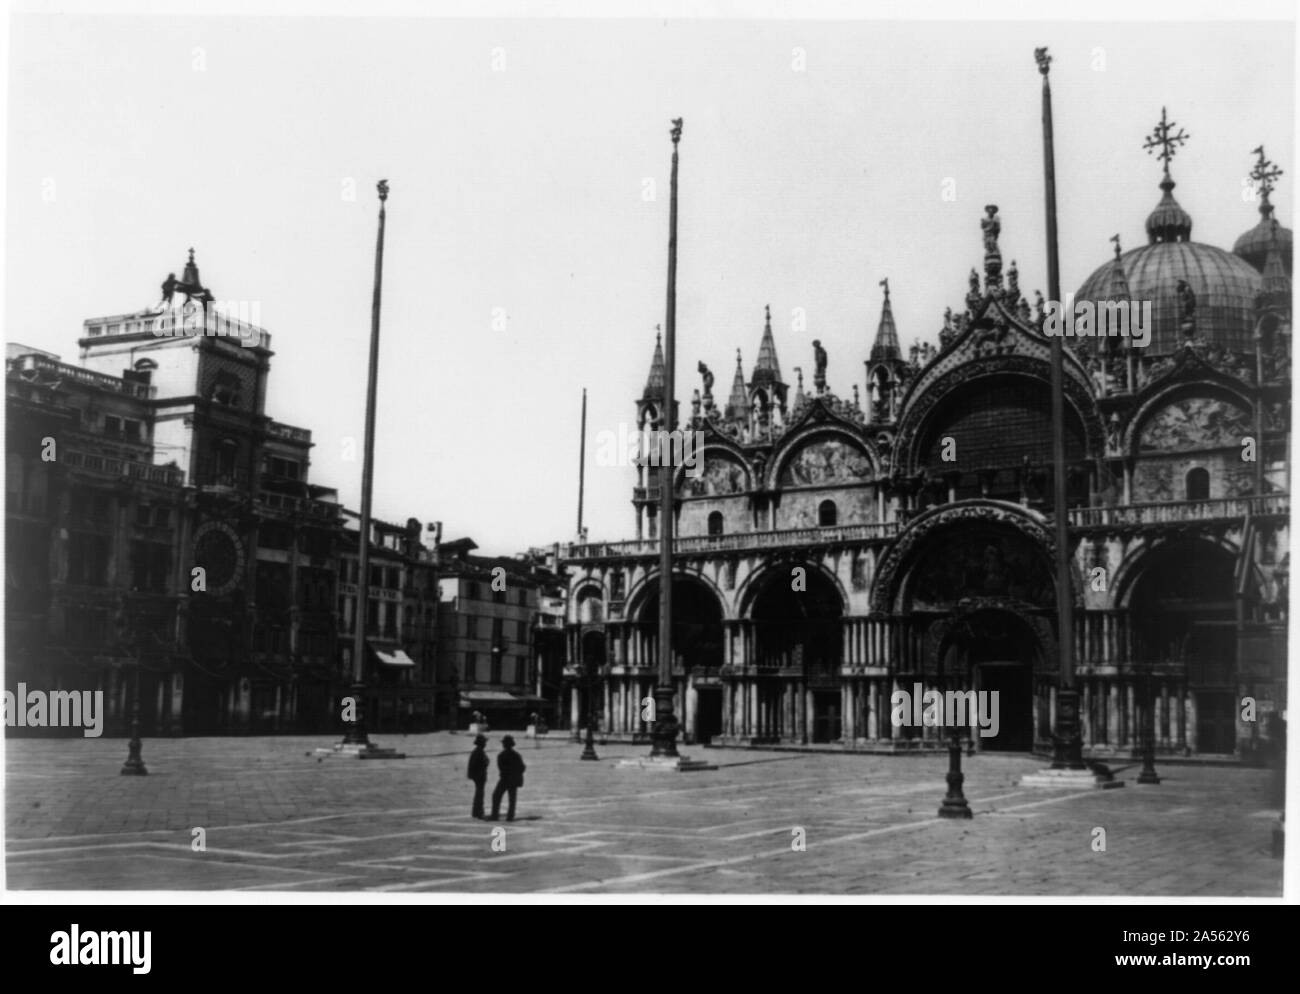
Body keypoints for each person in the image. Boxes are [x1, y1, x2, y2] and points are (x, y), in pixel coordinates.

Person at [488, 735, 526, 822]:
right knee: (512, 799)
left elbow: (501, 768)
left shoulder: (501, 755)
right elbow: (522, 767)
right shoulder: (516, 755)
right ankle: (510, 816)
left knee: (496, 796)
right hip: (513, 779)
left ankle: (495, 815)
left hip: (504, 779)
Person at [467, 734, 489, 819]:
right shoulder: (479, 752)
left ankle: (476, 811)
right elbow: (481, 764)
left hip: (478, 776)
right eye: (484, 742)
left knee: (479, 793)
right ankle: (478, 811)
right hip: (479, 776)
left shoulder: (477, 751)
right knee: (479, 794)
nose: (485, 744)